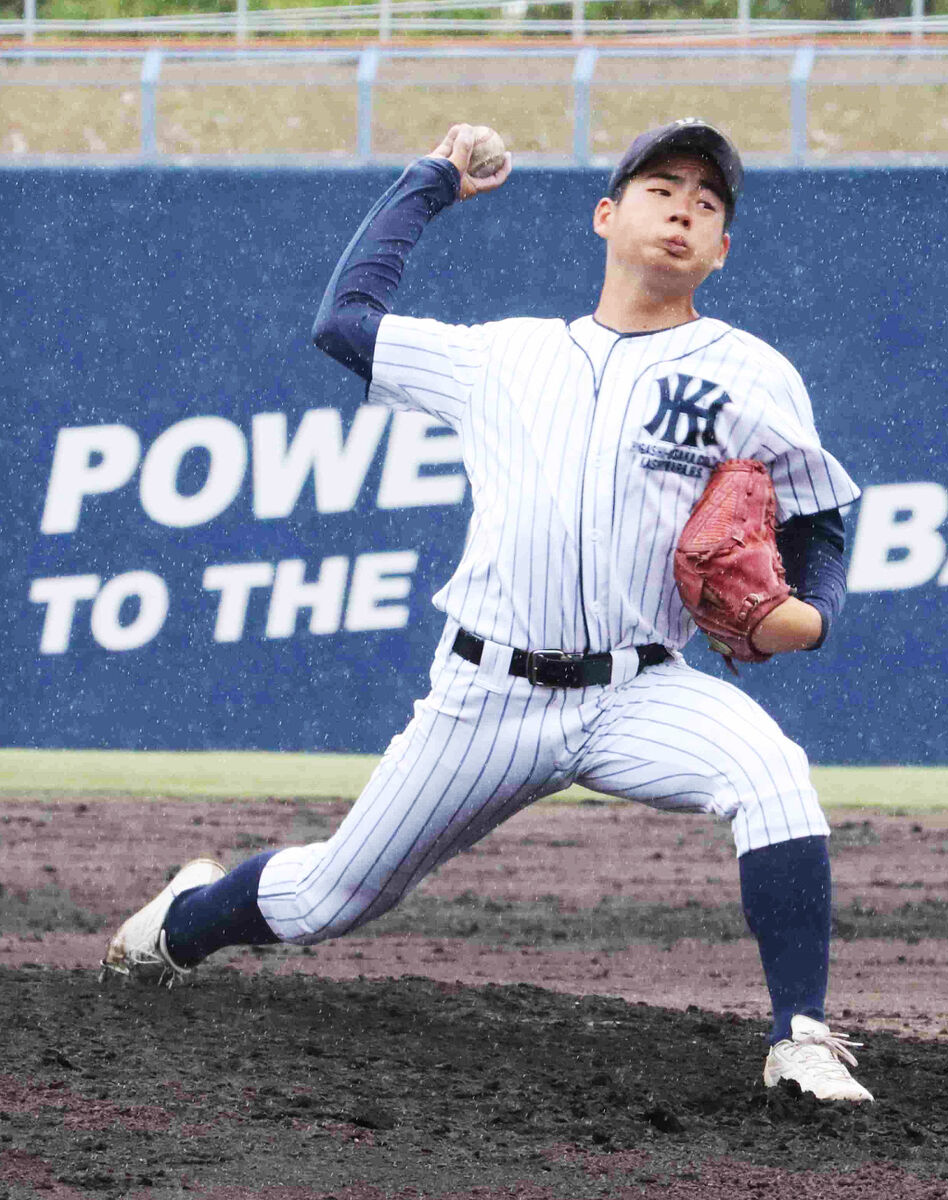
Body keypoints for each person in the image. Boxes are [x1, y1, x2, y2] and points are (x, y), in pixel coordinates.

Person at [102, 119, 871, 1104]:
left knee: (772, 774)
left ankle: (797, 1038)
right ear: (605, 215)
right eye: (659, 187)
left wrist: (811, 612)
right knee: (331, 894)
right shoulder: (500, 358)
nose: (682, 206)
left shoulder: (748, 372)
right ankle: (175, 926)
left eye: (707, 201)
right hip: (488, 695)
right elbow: (343, 321)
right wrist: (431, 183)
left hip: (639, 688)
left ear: (720, 250)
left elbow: (818, 514)